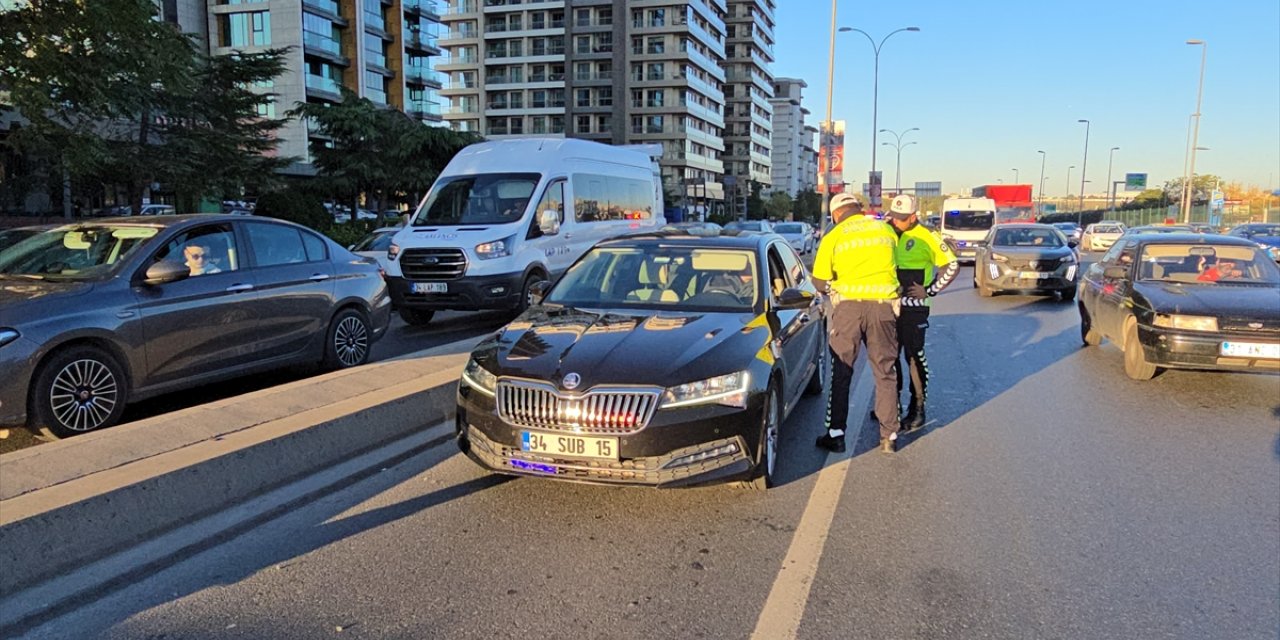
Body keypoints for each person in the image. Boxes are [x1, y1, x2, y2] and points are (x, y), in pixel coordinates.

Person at [813, 193, 902, 454]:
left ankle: (836, 434)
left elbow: (819, 281)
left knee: (842, 371)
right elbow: (898, 265)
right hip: (883, 308)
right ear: (859, 210)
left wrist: (836, 287)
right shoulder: (885, 230)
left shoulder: (835, 235)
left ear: (836, 215)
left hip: (849, 310)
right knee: (885, 371)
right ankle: (889, 436)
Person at [882, 194, 959, 432]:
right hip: (887, 305)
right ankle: (889, 407)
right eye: (894, 217)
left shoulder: (928, 236)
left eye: (901, 218)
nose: (896, 222)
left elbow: (952, 265)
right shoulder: (885, 231)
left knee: (913, 357)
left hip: (914, 310)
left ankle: (917, 408)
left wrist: (930, 290)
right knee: (888, 357)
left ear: (913, 216)